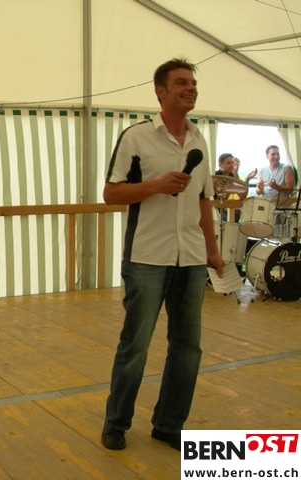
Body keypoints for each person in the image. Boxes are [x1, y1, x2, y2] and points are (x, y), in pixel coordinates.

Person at [100, 58, 225, 452]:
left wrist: (213, 252)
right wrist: (156, 185)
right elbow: (111, 193)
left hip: (191, 259)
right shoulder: (136, 138)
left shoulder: (200, 141)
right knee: (135, 346)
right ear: (161, 91)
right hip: (146, 258)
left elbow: (203, 201)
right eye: (181, 82)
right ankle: (116, 423)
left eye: (193, 83)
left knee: (188, 348)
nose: (191, 88)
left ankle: (169, 425)